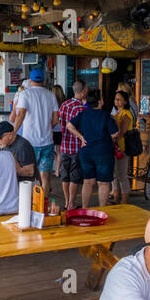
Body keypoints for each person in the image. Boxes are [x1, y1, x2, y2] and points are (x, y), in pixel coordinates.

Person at [9, 67, 58, 197]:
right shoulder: (51, 95)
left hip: (30, 143)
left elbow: (21, 115)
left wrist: (13, 133)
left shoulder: (26, 94)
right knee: (45, 175)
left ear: (30, 80)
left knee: (29, 175)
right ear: (43, 80)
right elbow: (56, 120)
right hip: (47, 142)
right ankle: (44, 203)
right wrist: (46, 128)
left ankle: (30, 205)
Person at [69, 89, 118, 209]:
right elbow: (115, 133)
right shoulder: (106, 116)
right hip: (103, 152)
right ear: (100, 101)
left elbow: (69, 125)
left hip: (86, 152)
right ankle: (102, 209)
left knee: (88, 181)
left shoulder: (83, 114)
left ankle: (85, 208)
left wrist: (81, 137)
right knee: (103, 183)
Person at [56, 80, 88, 209]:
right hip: (76, 146)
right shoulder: (81, 108)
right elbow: (84, 127)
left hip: (64, 146)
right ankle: (72, 203)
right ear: (83, 91)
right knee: (75, 176)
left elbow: (59, 121)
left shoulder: (64, 104)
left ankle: (66, 201)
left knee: (65, 175)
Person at [112, 90, 135, 204]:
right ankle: (116, 196)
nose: (116, 101)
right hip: (116, 147)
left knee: (122, 174)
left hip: (123, 148)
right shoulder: (117, 113)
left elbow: (121, 133)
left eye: (119, 99)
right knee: (114, 174)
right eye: (116, 99)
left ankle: (124, 200)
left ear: (125, 101)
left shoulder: (126, 114)